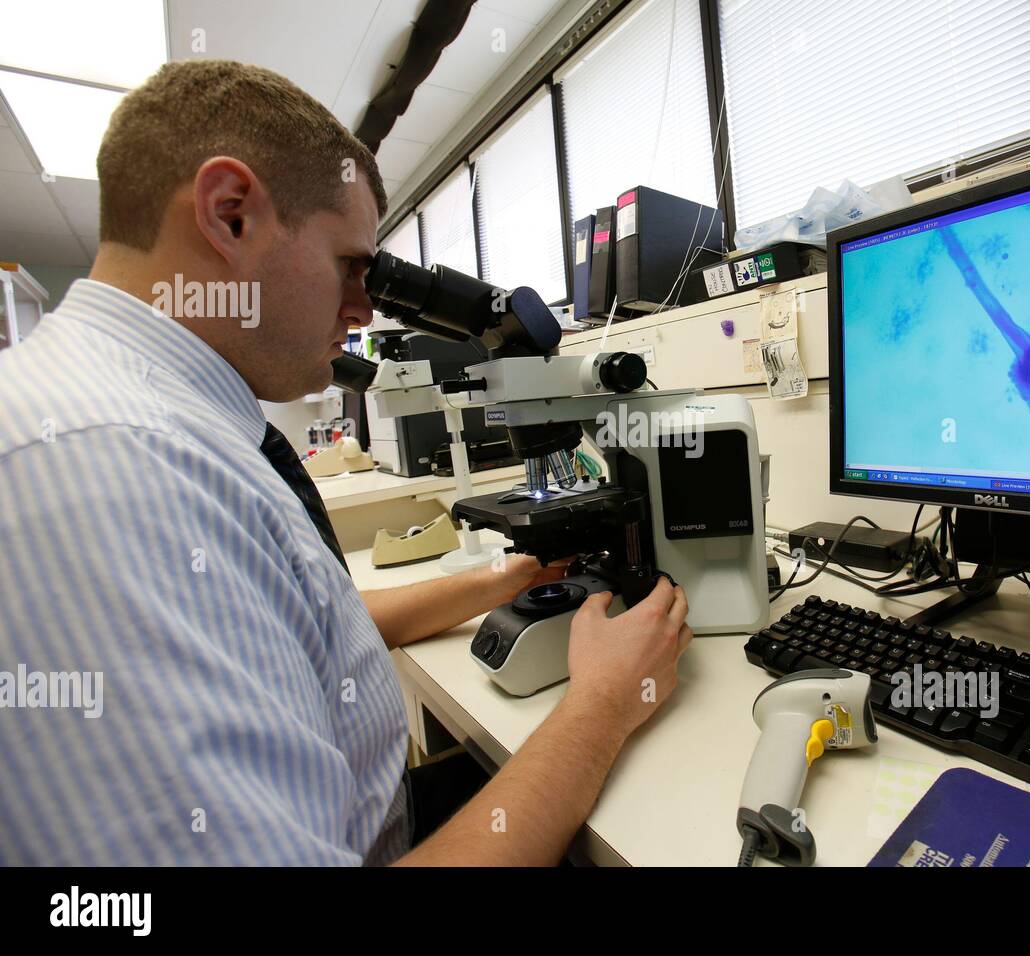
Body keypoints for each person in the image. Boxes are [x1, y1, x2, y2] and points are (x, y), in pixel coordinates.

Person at [0, 60, 691, 866]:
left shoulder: (142, 417)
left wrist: (496, 583)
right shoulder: (114, 472)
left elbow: (283, 624)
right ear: (230, 217)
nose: (364, 310)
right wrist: (603, 707)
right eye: (351, 266)